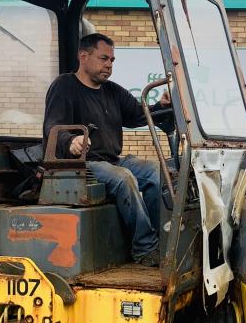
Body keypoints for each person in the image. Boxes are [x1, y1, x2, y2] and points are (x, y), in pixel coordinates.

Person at [42, 33, 171, 267]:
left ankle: (161, 240)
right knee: (124, 178)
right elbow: (53, 126)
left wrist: (160, 106)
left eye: (112, 60)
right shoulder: (64, 87)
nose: (109, 65)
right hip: (81, 165)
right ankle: (145, 249)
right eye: (104, 59)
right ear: (84, 56)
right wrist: (71, 141)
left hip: (111, 161)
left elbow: (138, 115)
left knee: (157, 172)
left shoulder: (113, 91)